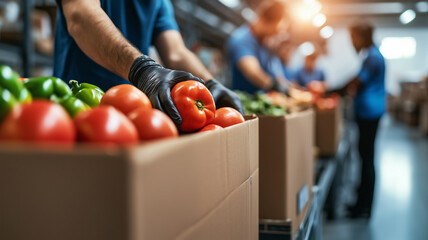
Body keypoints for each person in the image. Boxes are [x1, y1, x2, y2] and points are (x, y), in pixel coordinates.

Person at [53, 0, 243, 127]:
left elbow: (176, 52)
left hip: (131, 114)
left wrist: (209, 83)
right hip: (76, 105)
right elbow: (80, 15)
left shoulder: (159, 2)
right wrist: (142, 69)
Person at [344, 21, 386, 219]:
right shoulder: (372, 55)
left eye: (353, 38)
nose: (352, 42)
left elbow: (357, 81)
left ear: (361, 37)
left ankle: (363, 207)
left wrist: (334, 89)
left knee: (366, 158)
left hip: (369, 113)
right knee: (365, 157)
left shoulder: (372, 57)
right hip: (370, 111)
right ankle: (361, 203)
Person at [226, 0, 289, 94]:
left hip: (260, 100)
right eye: (274, 29)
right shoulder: (241, 39)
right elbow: (253, 73)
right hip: (240, 101)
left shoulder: (264, 45)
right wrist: (278, 87)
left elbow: (276, 74)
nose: (274, 34)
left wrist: (288, 87)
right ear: (263, 19)